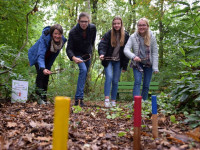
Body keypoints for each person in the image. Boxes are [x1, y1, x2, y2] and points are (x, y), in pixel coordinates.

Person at [28, 24, 67, 104]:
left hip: (48, 58)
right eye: (55, 33)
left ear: (61, 34)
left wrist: (48, 67)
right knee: (41, 74)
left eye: (59, 34)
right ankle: (39, 98)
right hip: (37, 55)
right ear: (52, 33)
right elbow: (41, 54)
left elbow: (54, 55)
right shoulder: (45, 38)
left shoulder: (61, 42)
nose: (57, 36)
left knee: (46, 76)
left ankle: (44, 99)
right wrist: (43, 68)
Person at [124, 18, 158, 100]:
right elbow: (126, 49)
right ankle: (136, 103)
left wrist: (155, 67)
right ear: (137, 26)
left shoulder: (152, 37)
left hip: (148, 63)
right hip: (137, 63)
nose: (141, 27)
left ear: (147, 26)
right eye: (139, 25)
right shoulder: (133, 37)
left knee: (146, 84)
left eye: (143, 25)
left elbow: (155, 52)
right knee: (137, 82)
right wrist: (133, 57)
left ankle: (144, 102)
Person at [98, 16, 129, 107]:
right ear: (112, 24)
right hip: (108, 60)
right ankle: (106, 99)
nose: (116, 25)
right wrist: (102, 53)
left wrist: (125, 66)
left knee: (115, 81)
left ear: (121, 24)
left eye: (118, 23)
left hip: (118, 61)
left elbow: (127, 51)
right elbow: (102, 44)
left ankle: (113, 100)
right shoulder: (108, 34)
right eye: (114, 23)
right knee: (109, 77)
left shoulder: (126, 35)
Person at [66, 12, 96, 107]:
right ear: (78, 21)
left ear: (89, 21)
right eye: (82, 21)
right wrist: (73, 57)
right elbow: (69, 48)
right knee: (83, 70)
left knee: (85, 74)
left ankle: (78, 100)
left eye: (86, 22)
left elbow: (92, 42)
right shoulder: (73, 32)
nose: (84, 24)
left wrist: (90, 52)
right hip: (77, 54)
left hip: (87, 55)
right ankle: (79, 98)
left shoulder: (93, 28)